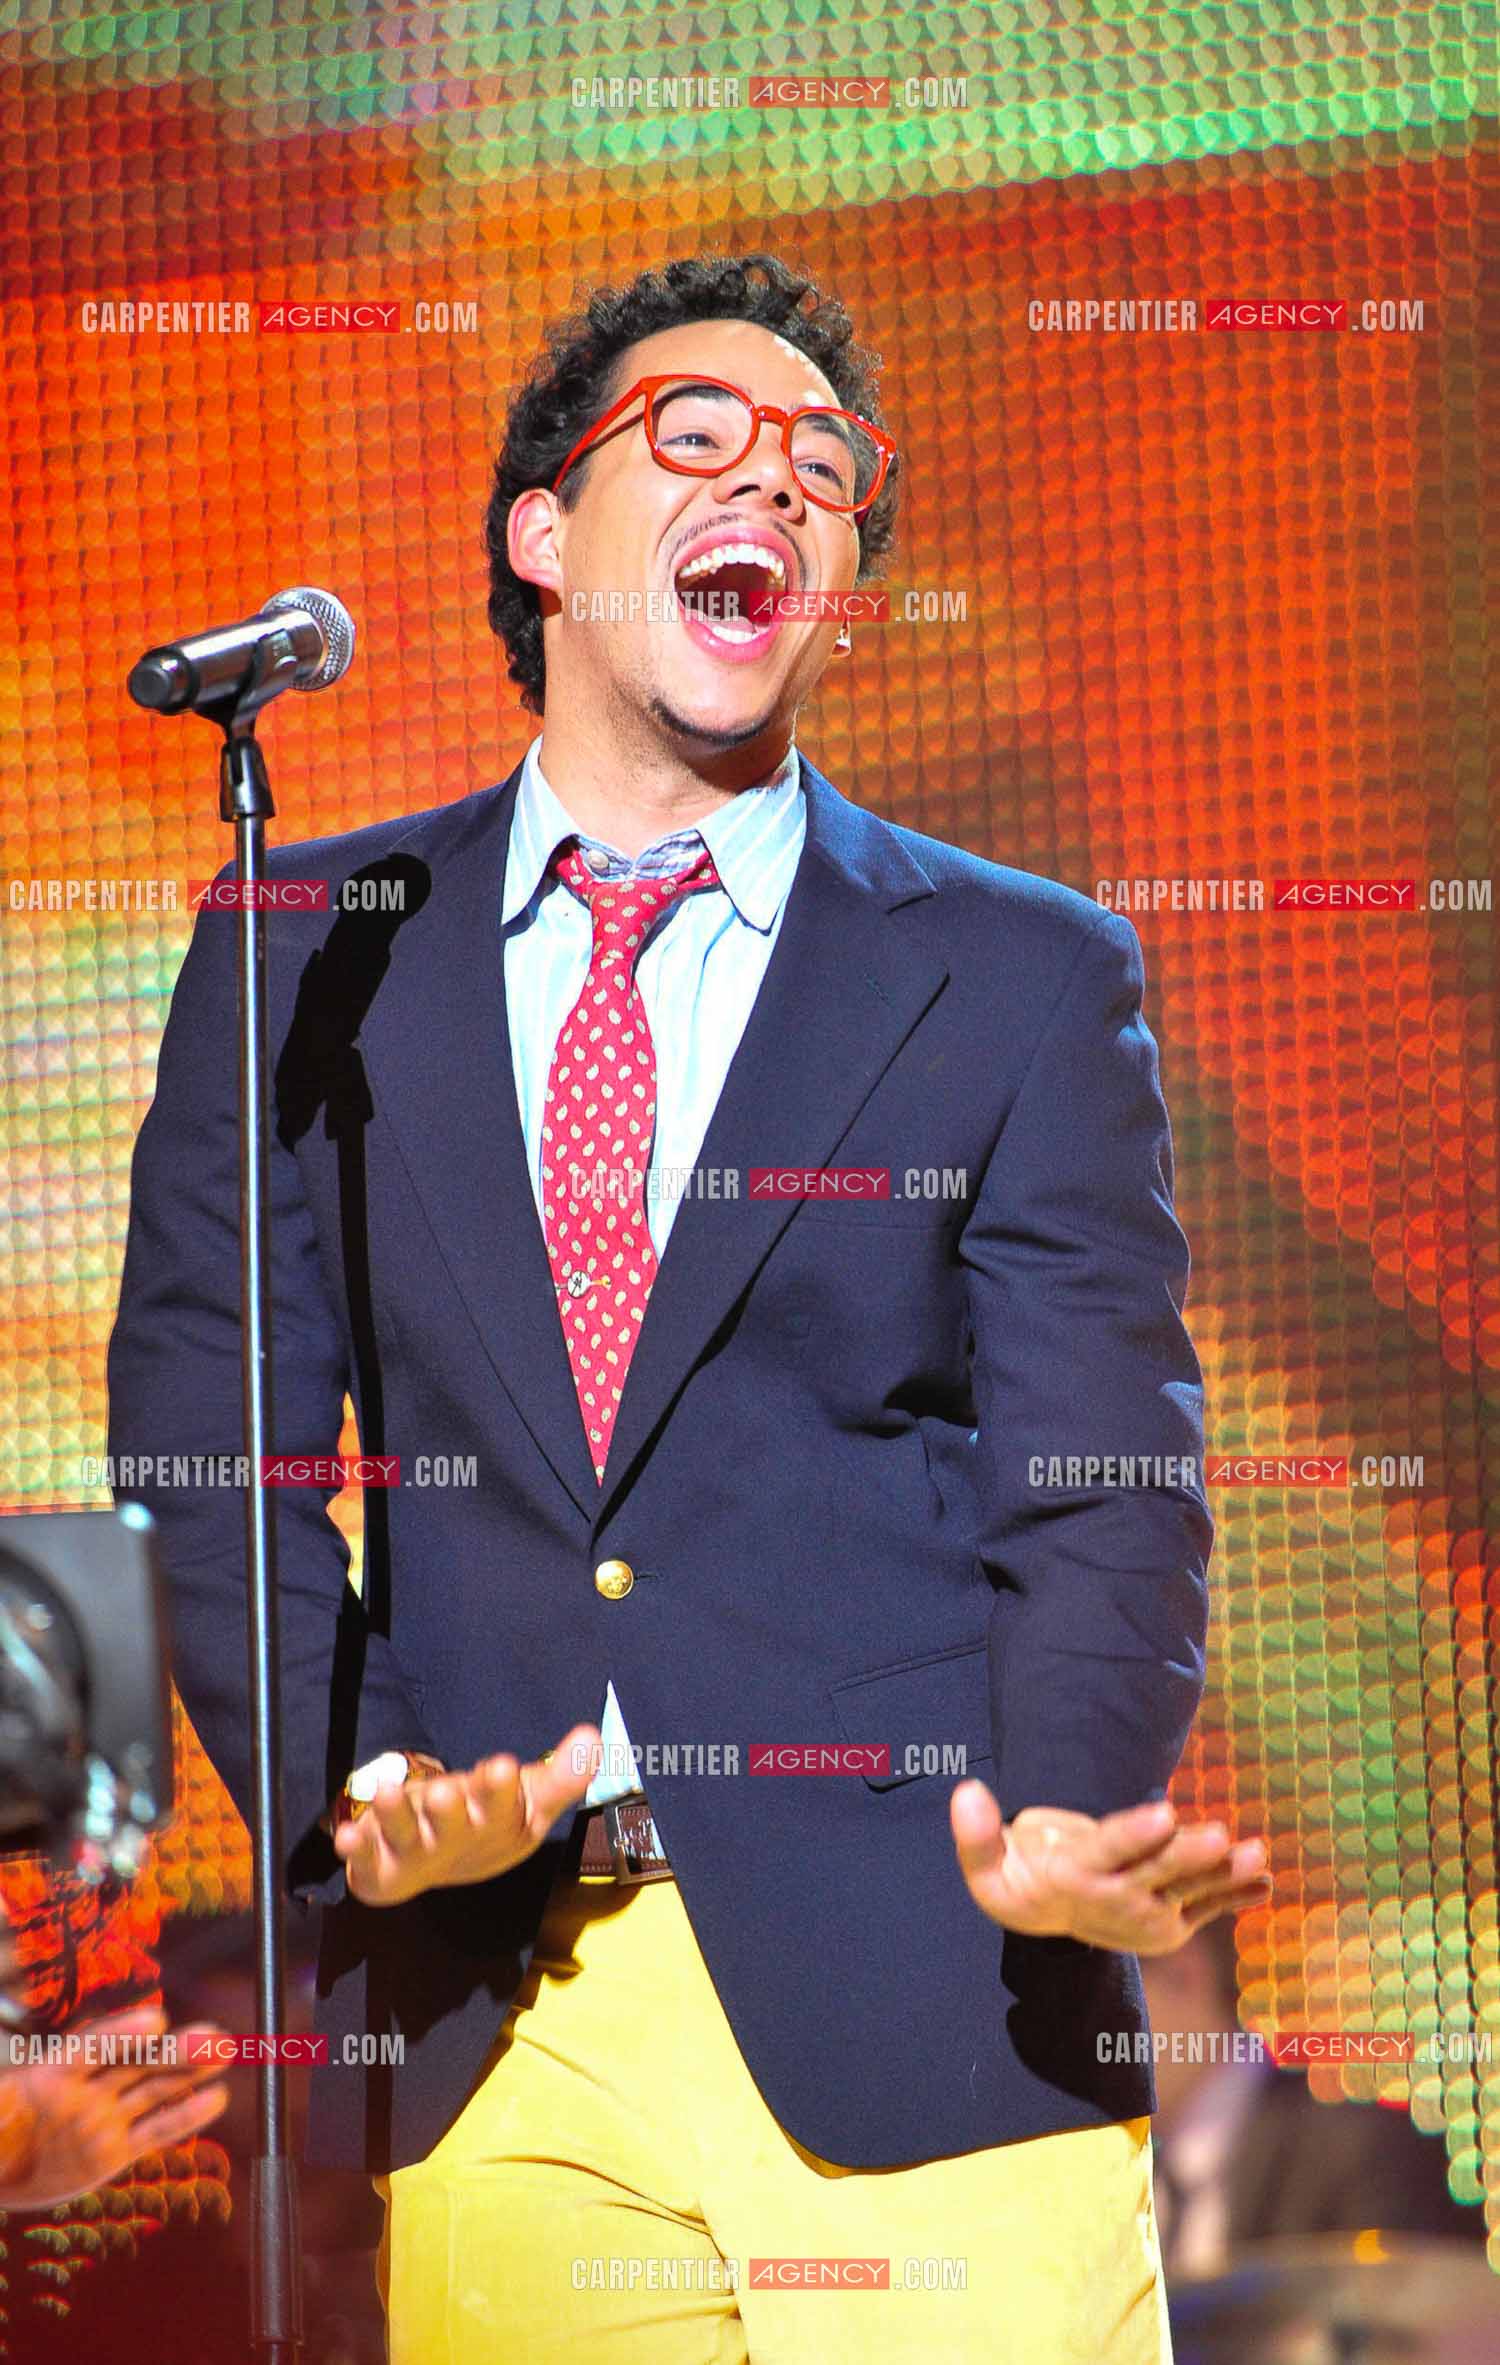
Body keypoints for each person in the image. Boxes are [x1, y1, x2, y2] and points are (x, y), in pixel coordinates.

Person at [106, 251, 1269, 2362]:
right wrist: (360, 1794)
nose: (780, 484)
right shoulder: (307, 946)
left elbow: (1103, 1473)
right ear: (544, 535)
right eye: (701, 435)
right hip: (499, 2017)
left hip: (933, 1990)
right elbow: (216, 1443)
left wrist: (1066, 1808)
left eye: (827, 467)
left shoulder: (1019, 971)